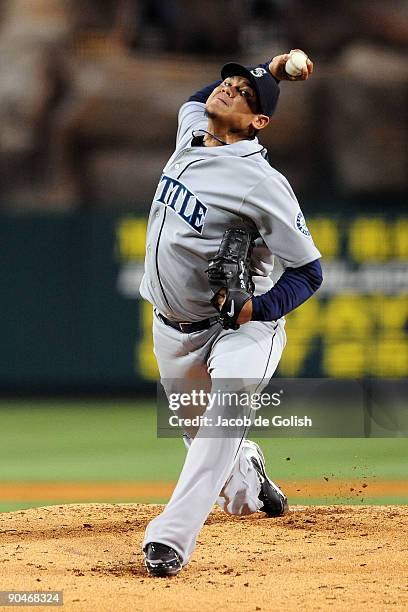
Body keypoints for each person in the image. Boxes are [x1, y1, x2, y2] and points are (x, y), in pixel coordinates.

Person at [139, 50, 322, 576]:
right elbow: (197, 99)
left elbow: (309, 272)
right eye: (231, 83)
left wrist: (257, 309)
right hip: (173, 330)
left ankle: (170, 539)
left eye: (245, 94)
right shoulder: (191, 130)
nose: (229, 91)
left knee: (225, 415)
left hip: (241, 330)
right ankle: (250, 477)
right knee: (217, 457)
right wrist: (272, 66)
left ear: (259, 122)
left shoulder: (262, 184)